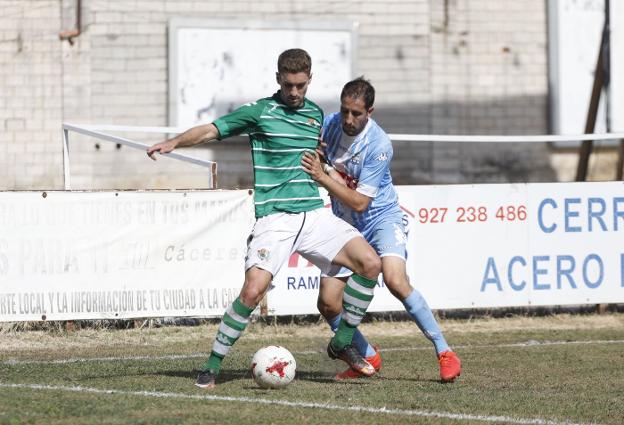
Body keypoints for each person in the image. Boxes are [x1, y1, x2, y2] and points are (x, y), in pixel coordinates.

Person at [147, 49, 382, 389]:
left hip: (314, 214)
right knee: (252, 292)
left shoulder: (316, 114)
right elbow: (212, 130)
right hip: (276, 218)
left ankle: (343, 341)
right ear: (278, 80)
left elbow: (322, 153)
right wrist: (176, 141)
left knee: (370, 263)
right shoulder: (260, 112)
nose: (295, 92)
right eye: (288, 85)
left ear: (310, 80)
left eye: (301, 85)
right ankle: (211, 365)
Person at [301, 77, 462, 382]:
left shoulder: (379, 145)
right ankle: (367, 356)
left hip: (380, 219)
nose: (348, 119)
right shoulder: (330, 124)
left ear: (370, 111)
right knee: (327, 302)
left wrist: (323, 176)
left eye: (356, 113)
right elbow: (316, 154)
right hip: (344, 223)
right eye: (345, 110)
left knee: (396, 280)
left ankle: (445, 352)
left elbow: (361, 202)